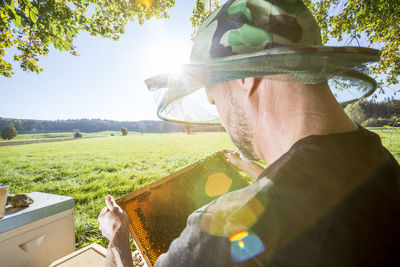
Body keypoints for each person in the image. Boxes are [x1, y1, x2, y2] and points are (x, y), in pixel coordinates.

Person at [98, 0, 400, 266]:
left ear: (244, 78)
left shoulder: (221, 231)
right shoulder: (381, 164)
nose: (222, 117)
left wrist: (118, 239)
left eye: (214, 97)